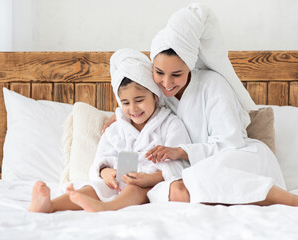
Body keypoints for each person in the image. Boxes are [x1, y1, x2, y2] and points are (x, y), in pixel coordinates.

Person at [104, 4, 298, 210]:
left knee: (196, 179)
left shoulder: (213, 85)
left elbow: (230, 141)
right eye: (159, 72)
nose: (167, 82)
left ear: (190, 67)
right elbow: (145, 111)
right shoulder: (158, 92)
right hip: (193, 169)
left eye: (177, 74)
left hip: (237, 157)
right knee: (177, 189)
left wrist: (181, 151)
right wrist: (122, 118)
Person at [28, 49, 190, 213]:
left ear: (155, 96)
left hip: (153, 184)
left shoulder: (171, 124)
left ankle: (105, 207)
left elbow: (181, 164)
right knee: (93, 188)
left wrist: (149, 178)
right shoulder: (116, 128)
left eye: (139, 100)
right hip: (118, 183)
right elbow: (102, 158)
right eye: (125, 103)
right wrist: (105, 172)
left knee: (135, 188)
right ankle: (50, 204)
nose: (133, 108)